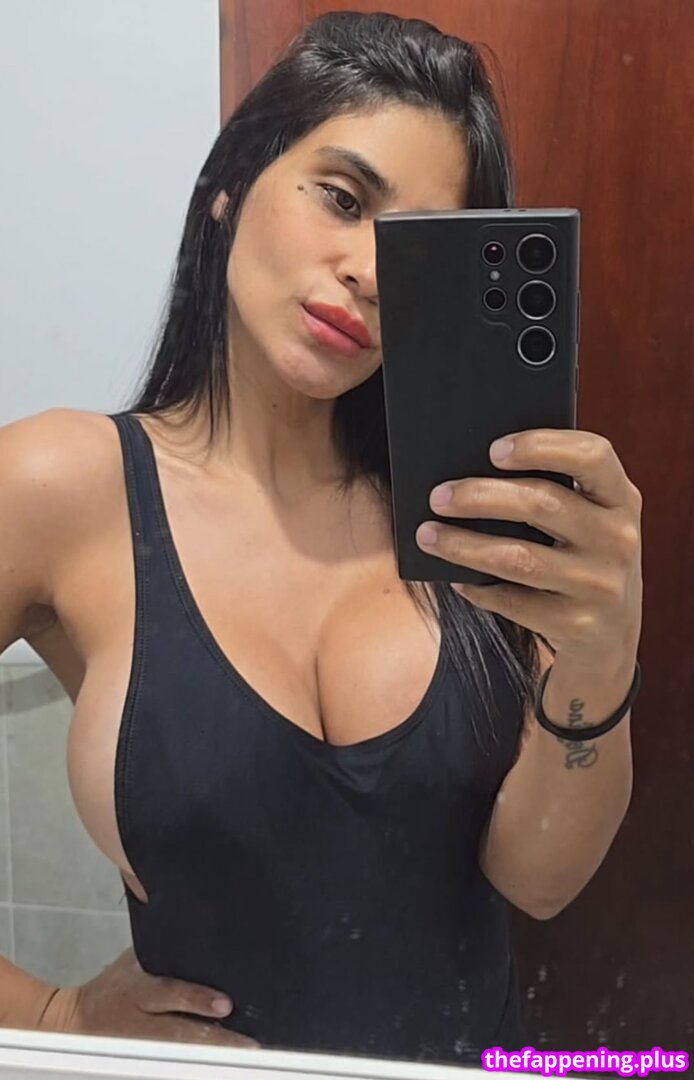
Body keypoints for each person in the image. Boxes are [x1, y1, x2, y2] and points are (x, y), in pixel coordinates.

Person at [0, 9, 643, 1067]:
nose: (370, 272)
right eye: (342, 198)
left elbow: (539, 879)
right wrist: (50, 1017)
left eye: (413, 248)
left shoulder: (477, 509)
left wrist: (603, 653)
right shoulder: (62, 489)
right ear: (231, 184)